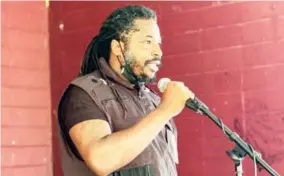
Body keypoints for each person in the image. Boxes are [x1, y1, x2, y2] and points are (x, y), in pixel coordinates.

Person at [57, 5, 194, 176]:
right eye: (147, 42)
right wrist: (165, 111)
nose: (158, 52)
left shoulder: (151, 99)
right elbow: (101, 159)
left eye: (158, 43)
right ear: (117, 48)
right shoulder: (84, 94)